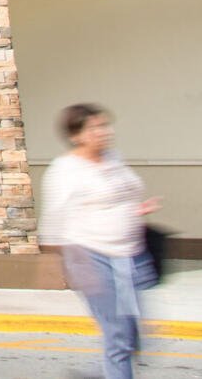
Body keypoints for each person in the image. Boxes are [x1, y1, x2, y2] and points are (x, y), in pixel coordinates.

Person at [40, 103, 159, 379]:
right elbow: (53, 223)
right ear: (75, 135)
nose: (105, 132)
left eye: (105, 125)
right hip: (91, 257)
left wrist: (138, 210)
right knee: (118, 335)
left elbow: (122, 195)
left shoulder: (113, 158)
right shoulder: (65, 169)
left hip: (131, 256)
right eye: (95, 128)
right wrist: (67, 266)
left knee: (133, 334)